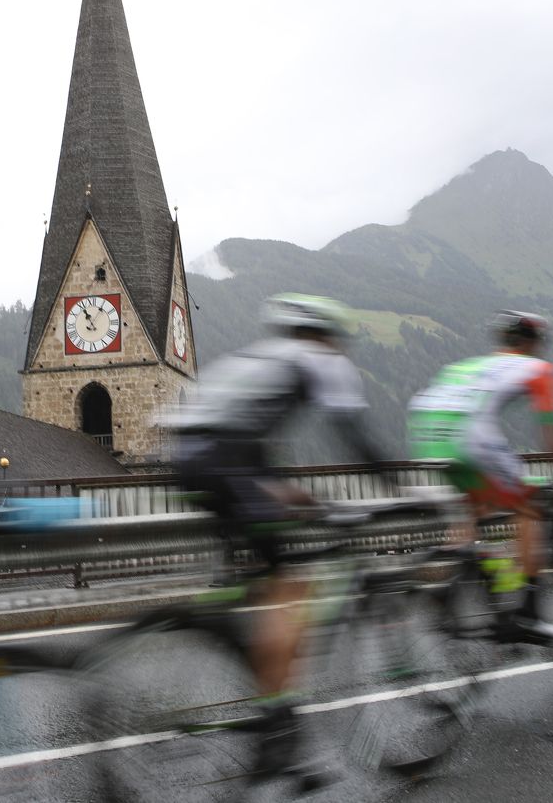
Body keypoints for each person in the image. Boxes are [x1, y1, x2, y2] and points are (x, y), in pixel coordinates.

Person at [162, 293, 386, 779]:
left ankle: (230, 641)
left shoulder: (260, 361)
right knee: (289, 587)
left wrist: (299, 497)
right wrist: (400, 488)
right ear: (327, 334)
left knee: (265, 582)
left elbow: (250, 447)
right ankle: (280, 726)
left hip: (190, 458)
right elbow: (357, 440)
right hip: (222, 462)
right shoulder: (318, 359)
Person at [407, 310, 553, 643]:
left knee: (474, 509)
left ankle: (451, 584)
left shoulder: (467, 366)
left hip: (427, 436)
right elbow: (550, 429)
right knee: (530, 507)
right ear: (534, 342)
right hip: (471, 438)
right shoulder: (539, 369)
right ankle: (528, 612)